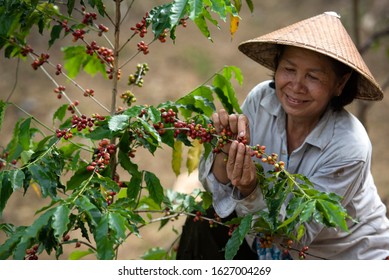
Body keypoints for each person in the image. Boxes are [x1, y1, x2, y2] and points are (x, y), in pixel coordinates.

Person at [177, 12, 389, 260]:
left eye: (313, 76)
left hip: (339, 257)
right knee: (202, 219)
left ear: (340, 84)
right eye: (289, 69)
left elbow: (296, 235)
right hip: (266, 240)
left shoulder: (349, 146)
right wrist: (224, 154)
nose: (296, 86)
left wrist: (249, 189)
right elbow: (219, 194)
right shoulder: (261, 101)